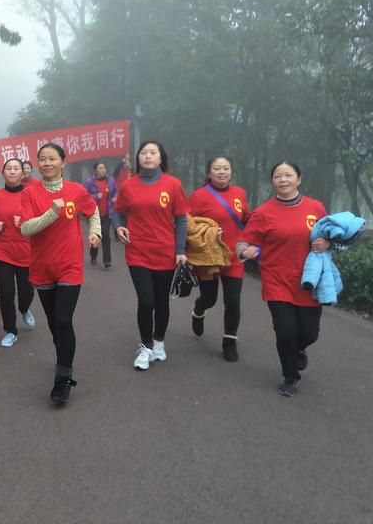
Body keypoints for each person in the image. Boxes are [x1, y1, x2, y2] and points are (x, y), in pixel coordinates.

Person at [237, 162, 328, 397]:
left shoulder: (315, 207)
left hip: (308, 280)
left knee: (309, 333)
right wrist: (245, 251)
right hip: (276, 279)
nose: (283, 179)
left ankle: (299, 348)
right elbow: (243, 241)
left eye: (288, 175)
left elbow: (333, 236)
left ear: (299, 179)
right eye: (278, 176)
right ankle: (290, 376)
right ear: (273, 181)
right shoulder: (263, 212)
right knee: (286, 331)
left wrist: (328, 243)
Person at [20, 143, 100, 404]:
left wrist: (95, 232)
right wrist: (53, 212)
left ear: (63, 162)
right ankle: (63, 355)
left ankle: (63, 378)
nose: (47, 163)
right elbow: (26, 228)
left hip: (69, 266)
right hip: (42, 267)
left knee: (64, 320)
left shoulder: (76, 190)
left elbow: (93, 210)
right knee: (55, 325)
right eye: (42, 159)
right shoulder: (30, 193)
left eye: (52, 158)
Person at [113, 141, 188, 371]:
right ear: (138, 158)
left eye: (153, 152)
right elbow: (117, 211)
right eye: (143, 153)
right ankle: (146, 346)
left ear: (160, 158)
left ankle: (159, 341)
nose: (148, 156)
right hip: (137, 251)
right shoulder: (128, 185)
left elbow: (181, 218)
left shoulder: (173, 184)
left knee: (161, 300)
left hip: (165, 252)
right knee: (146, 300)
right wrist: (118, 227)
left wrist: (180, 251)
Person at [187, 156, 250, 362]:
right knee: (209, 299)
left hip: (233, 257)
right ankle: (199, 310)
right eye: (217, 168)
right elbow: (187, 224)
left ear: (231, 171)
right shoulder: (198, 196)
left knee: (233, 300)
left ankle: (229, 342)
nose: (222, 172)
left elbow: (246, 218)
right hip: (208, 259)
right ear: (209, 173)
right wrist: (208, 231)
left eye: (226, 168)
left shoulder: (240, 193)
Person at [0, 159, 36, 347]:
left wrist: (26, 221)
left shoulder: (32, 194)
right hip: (2, 250)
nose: (12, 171)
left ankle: (24, 309)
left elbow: (41, 219)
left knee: (27, 291)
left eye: (16, 168)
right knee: (6, 292)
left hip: (26, 250)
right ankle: (10, 330)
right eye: (8, 169)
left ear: (23, 173)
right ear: (3, 173)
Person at [83, 161, 117, 268]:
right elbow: (84, 196)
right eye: (100, 168)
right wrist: (95, 196)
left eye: (104, 168)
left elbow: (116, 191)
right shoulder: (89, 182)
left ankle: (107, 260)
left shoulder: (110, 180)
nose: (103, 170)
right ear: (95, 171)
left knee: (106, 234)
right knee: (96, 235)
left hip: (107, 212)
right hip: (94, 213)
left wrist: (115, 197)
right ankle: (93, 255)